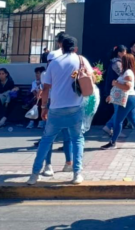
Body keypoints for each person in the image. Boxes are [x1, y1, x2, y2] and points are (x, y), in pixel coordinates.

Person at [28, 36, 90, 185]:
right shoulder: (81, 60)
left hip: (55, 108)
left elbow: (46, 88)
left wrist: (44, 107)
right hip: (76, 106)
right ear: (75, 48)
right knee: (77, 139)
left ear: (62, 47)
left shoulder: (54, 63)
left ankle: (34, 174)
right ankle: (77, 174)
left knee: (46, 140)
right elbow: (91, 79)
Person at [101, 54, 135, 149]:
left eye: (122, 60)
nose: (120, 62)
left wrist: (115, 83)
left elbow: (127, 87)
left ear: (125, 62)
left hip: (127, 99)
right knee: (133, 120)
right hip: (131, 98)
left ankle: (113, 142)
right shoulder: (128, 72)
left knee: (118, 120)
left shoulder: (127, 72)